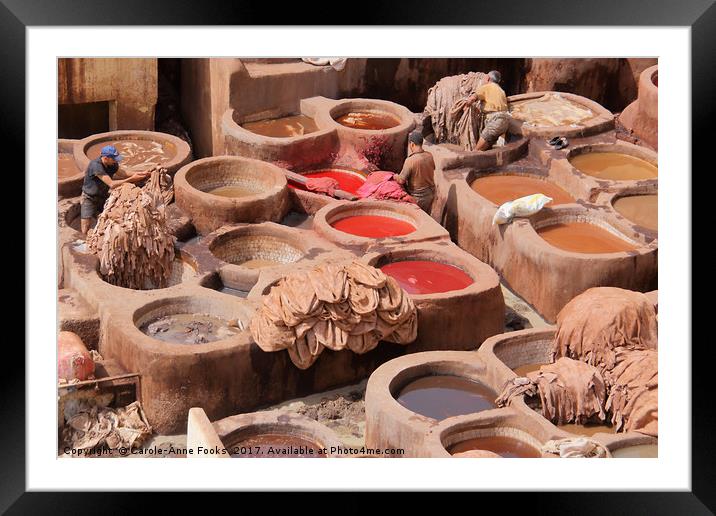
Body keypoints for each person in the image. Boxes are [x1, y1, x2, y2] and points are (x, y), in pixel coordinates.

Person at [79, 145, 151, 234]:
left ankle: (104, 233)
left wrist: (140, 173)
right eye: (114, 159)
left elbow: (123, 173)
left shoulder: (112, 163)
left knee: (109, 214)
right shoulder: (96, 166)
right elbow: (112, 184)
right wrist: (132, 179)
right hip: (89, 197)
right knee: (86, 222)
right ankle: (85, 239)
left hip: (102, 194)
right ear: (105, 158)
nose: (115, 161)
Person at [464, 70, 511, 151]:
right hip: (505, 121)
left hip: (495, 121)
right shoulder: (501, 90)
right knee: (485, 149)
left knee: (476, 151)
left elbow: (473, 98)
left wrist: (466, 105)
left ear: (488, 78)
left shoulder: (486, 87)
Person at [395, 132, 436, 213]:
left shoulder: (410, 160)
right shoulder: (429, 155)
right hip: (430, 195)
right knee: (426, 217)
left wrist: (395, 176)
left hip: (417, 198)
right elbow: (433, 168)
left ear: (412, 144)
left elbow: (401, 180)